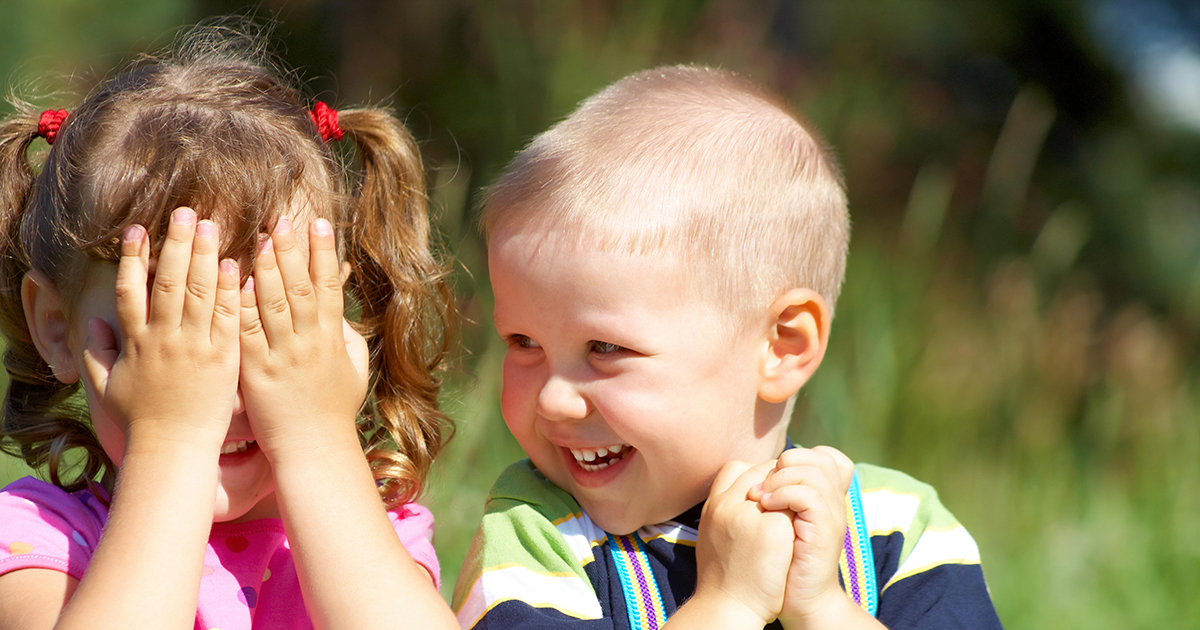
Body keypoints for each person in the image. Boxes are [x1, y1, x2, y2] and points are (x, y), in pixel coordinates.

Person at [452, 66, 1004, 630]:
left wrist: (821, 608)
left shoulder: (897, 529)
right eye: (522, 342)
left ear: (783, 346)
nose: (553, 401)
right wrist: (728, 605)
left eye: (605, 348)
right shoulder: (535, 538)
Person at [0, 26, 460, 629]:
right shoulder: (41, 541)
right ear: (57, 328)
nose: (215, 386)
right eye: (169, 334)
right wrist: (171, 439)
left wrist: (315, 440)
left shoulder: (370, 538)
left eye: (269, 326)